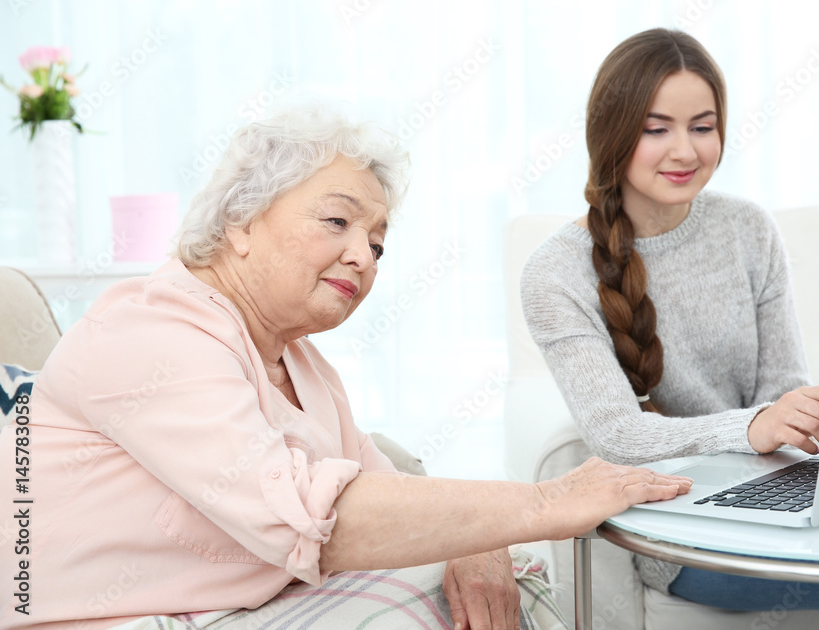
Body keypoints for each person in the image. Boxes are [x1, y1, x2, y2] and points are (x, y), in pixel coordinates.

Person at [0, 106, 696, 629]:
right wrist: (541, 505)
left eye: (378, 244)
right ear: (240, 220)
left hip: (228, 606)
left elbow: (385, 491)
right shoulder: (152, 329)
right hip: (103, 618)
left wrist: (480, 539)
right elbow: (305, 516)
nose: (363, 256)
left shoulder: (302, 364)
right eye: (338, 222)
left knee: (501, 577)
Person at [519, 28, 819, 629]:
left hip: (770, 484)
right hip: (680, 523)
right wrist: (752, 428)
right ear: (612, 133)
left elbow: (781, 390)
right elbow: (617, 435)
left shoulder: (748, 229)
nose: (684, 151)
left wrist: (808, 421)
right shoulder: (556, 273)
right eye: (657, 129)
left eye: (702, 127)